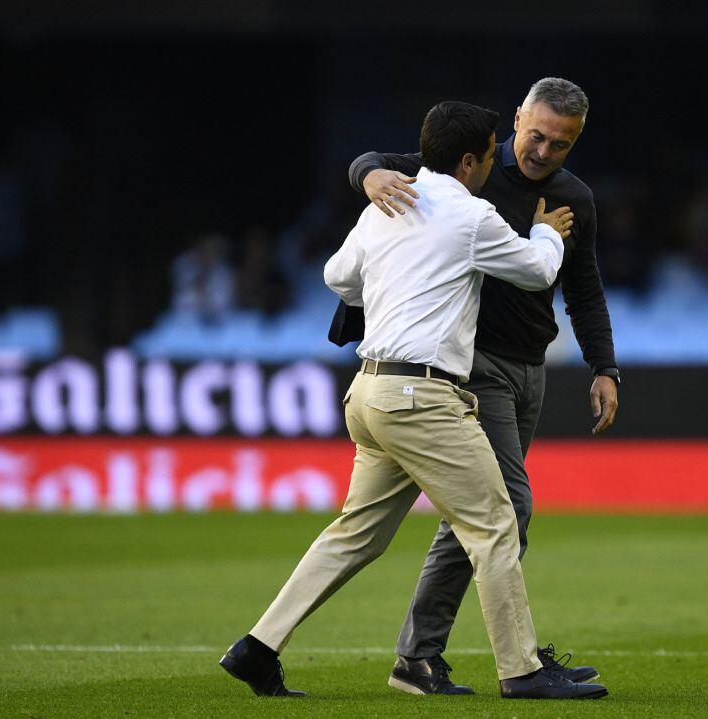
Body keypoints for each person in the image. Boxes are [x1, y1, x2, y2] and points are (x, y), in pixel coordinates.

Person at [220, 100, 608, 701]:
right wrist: (545, 233)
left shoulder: (384, 207)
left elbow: (337, 277)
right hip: (422, 396)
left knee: (357, 534)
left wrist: (394, 285)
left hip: (369, 390)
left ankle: (258, 646)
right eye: (487, 157)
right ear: (471, 160)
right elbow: (535, 271)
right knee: (496, 523)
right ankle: (521, 670)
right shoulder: (471, 215)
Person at [339, 76, 619, 694]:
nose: (543, 152)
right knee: (506, 509)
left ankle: (421, 656)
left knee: (476, 514)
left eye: (561, 144)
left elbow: (584, 287)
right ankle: (490, 661)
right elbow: (378, 163)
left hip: (531, 370)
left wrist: (603, 366)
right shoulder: (471, 170)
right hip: (472, 368)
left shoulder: (575, 198)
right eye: (536, 135)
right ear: (517, 120)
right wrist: (367, 177)